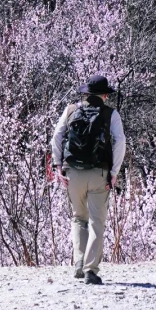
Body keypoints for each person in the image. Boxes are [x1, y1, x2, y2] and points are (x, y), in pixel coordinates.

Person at [51, 74, 125, 284]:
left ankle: (78, 263)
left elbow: (56, 137)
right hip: (99, 173)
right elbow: (120, 142)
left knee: (78, 217)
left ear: (85, 94)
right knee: (96, 222)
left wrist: (58, 165)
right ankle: (90, 270)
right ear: (104, 95)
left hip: (73, 172)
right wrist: (114, 172)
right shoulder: (111, 114)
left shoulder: (70, 110)